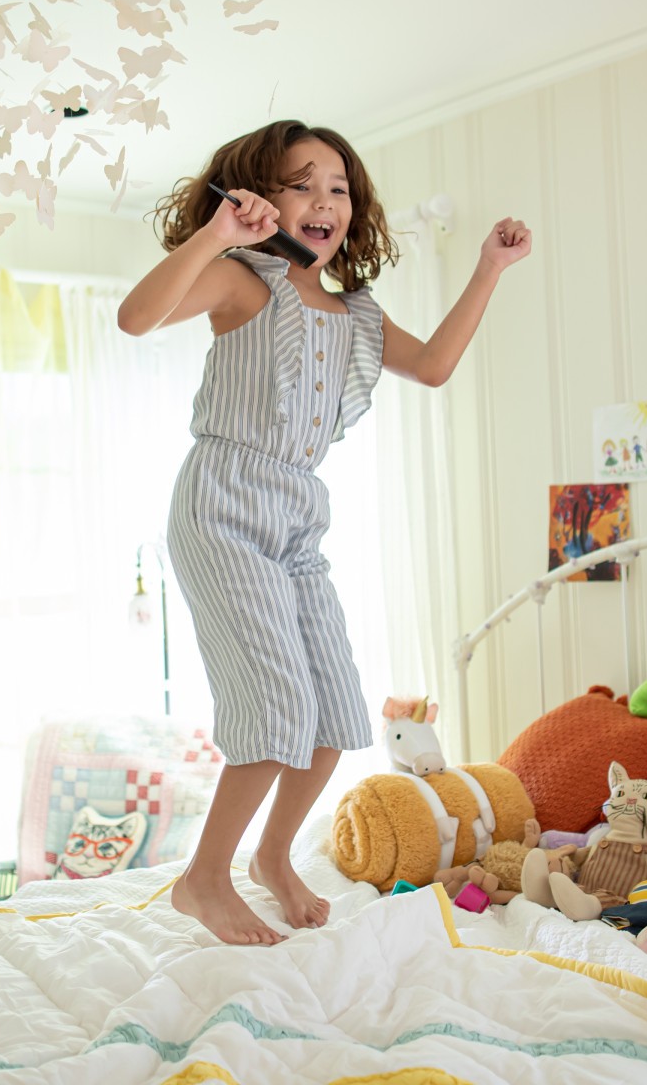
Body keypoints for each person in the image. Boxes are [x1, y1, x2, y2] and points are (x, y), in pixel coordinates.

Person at [117, 120, 530, 945]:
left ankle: (273, 858)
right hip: (223, 504)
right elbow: (136, 318)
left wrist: (489, 267)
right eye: (301, 184)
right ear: (261, 197)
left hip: (298, 515)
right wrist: (216, 236)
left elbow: (436, 365)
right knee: (275, 707)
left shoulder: (353, 316)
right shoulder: (243, 280)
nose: (323, 202)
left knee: (336, 709)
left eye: (338, 188)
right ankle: (203, 879)